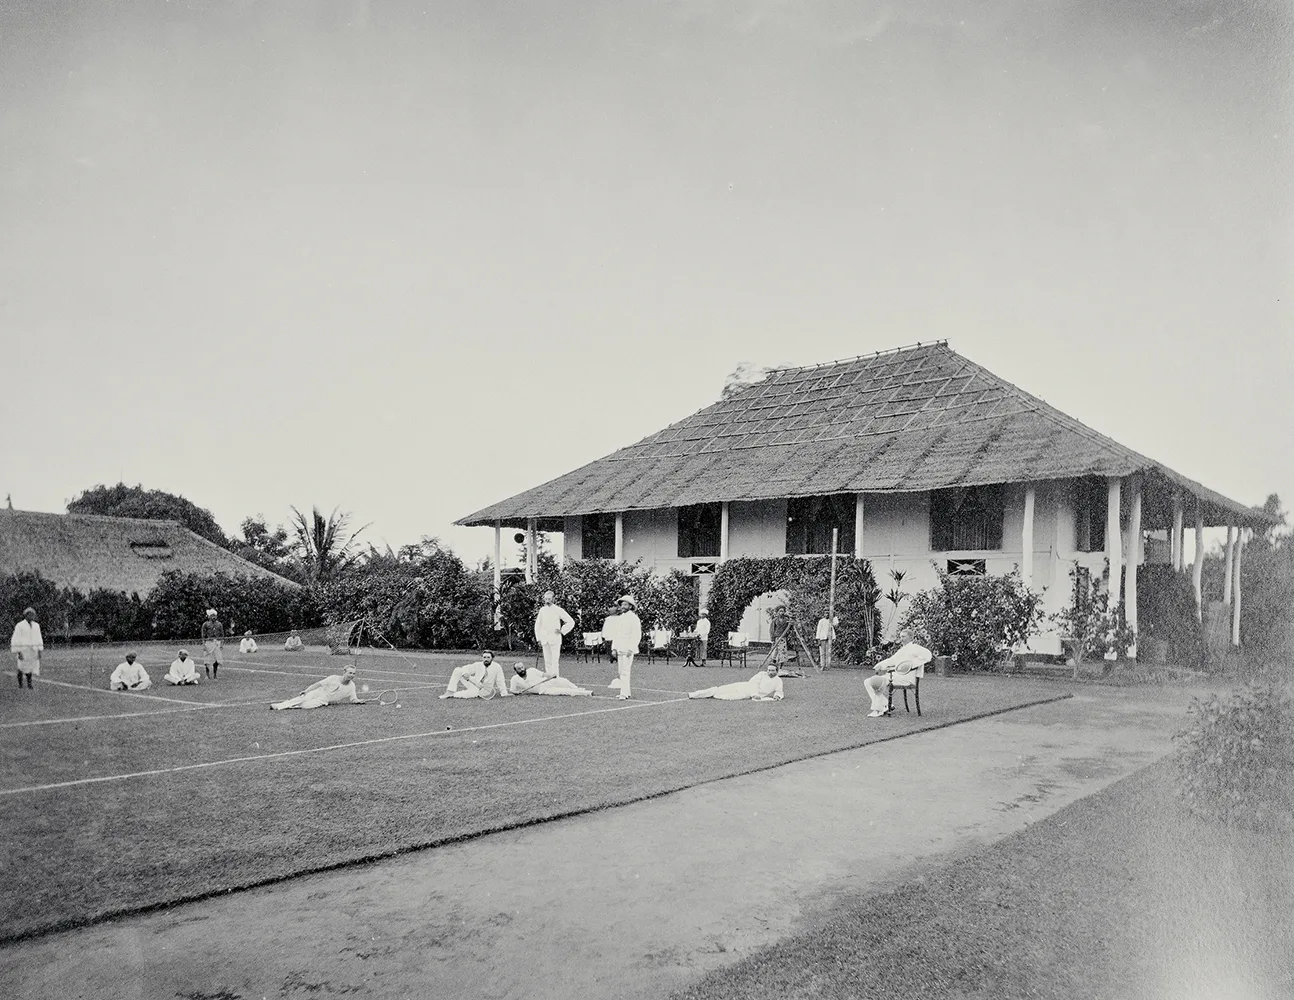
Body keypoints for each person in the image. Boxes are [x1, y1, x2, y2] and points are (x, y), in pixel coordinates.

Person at [864, 629, 933, 717]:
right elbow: (892, 660)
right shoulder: (902, 650)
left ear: (911, 637)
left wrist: (911, 665)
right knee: (867, 682)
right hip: (897, 676)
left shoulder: (915, 648)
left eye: (904, 637)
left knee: (877, 681)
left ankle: (878, 710)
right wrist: (880, 666)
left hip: (907, 678)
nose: (901, 639)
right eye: (900, 637)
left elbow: (928, 655)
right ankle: (886, 704)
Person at [271, 664, 367, 710]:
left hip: (323, 701)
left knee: (306, 706)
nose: (351, 675)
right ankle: (278, 706)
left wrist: (359, 701)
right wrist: (306, 691)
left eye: (353, 674)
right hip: (317, 692)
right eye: (350, 673)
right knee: (301, 699)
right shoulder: (333, 678)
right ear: (344, 672)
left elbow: (353, 699)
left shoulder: (352, 686)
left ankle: (289, 706)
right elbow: (318, 684)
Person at [603, 595, 642, 700]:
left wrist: (631, 648)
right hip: (620, 647)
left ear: (630, 606)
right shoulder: (620, 618)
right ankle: (626, 692)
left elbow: (636, 635)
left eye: (625, 604)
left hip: (628, 648)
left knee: (625, 671)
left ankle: (624, 693)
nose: (623, 606)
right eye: (622, 604)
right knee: (621, 671)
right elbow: (616, 634)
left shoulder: (634, 618)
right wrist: (614, 648)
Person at [689, 661, 784, 701]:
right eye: (769, 670)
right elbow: (753, 683)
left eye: (772, 670)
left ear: (777, 671)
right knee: (719, 689)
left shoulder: (778, 680)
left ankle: (707, 695)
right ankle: (694, 694)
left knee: (728, 697)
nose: (770, 672)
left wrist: (777, 696)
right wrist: (754, 694)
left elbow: (779, 691)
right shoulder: (761, 674)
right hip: (745, 687)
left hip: (746, 694)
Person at [533, 590, 575, 677]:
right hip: (545, 639)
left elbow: (570, 621)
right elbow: (538, 625)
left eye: (549, 599)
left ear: (553, 599)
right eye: (546, 599)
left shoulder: (558, 610)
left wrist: (562, 630)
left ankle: (556, 679)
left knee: (554, 661)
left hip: (555, 639)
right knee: (547, 661)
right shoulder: (542, 610)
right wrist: (539, 638)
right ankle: (549, 679)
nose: (547, 601)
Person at [440, 651, 511, 699]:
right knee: (458, 670)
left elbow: (500, 681)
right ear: (482, 658)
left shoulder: (497, 667)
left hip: (484, 690)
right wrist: (465, 673)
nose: (486, 659)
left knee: (470, 694)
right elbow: (466, 668)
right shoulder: (478, 665)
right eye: (484, 657)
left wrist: (504, 693)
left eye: (488, 657)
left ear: (492, 658)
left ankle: (454, 695)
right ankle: (450, 691)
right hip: (474, 683)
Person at [509, 662, 592, 697]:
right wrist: (516, 692)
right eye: (519, 669)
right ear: (516, 671)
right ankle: (585, 693)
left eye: (522, 667)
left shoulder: (531, 670)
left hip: (547, 682)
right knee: (564, 691)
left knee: (564, 681)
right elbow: (512, 690)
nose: (522, 669)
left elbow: (544, 675)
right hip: (543, 690)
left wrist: (551, 675)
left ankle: (577, 689)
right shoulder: (515, 679)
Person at [10, 606, 43, 690]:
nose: (31, 617)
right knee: (21, 667)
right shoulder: (20, 625)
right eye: (30, 615)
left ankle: (29, 684)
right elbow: (16, 638)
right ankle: (20, 684)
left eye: (33, 615)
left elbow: (39, 637)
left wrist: (39, 650)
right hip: (23, 649)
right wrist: (18, 651)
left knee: (30, 667)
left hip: (33, 649)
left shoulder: (36, 626)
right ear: (26, 615)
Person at [200, 609, 225, 680]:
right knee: (207, 660)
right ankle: (207, 675)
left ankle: (215, 675)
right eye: (212, 616)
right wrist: (204, 644)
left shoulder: (219, 624)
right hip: (208, 642)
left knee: (217, 659)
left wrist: (221, 644)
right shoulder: (205, 624)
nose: (213, 617)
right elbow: (203, 635)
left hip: (217, 642)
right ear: (209, 616)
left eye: (215, 616)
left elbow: (222, 635)